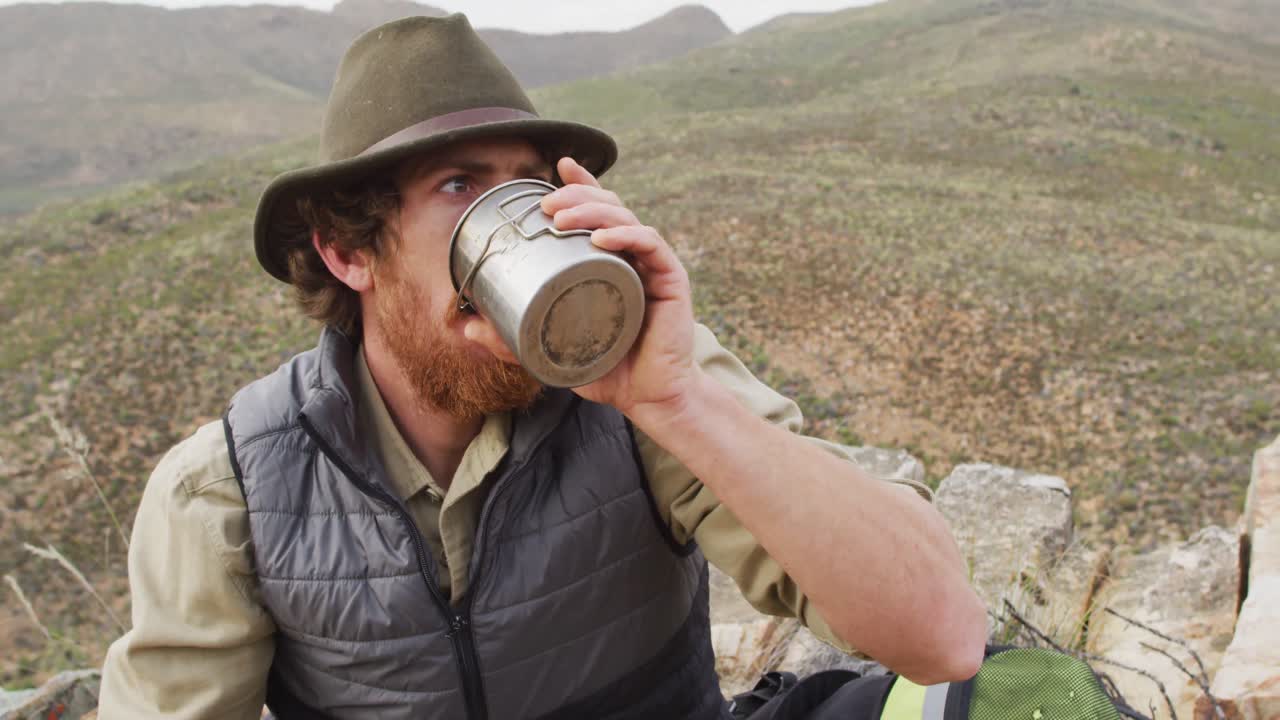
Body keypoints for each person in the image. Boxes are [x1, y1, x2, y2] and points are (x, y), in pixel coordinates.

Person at [98, 13, 986, 720]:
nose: (521, 221)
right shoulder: (233, 488)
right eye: (460, 186)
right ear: (347, 252)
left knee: (1010, 700)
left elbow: (943, 635)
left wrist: (673, 399)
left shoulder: (649, 391)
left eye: (530, 187)